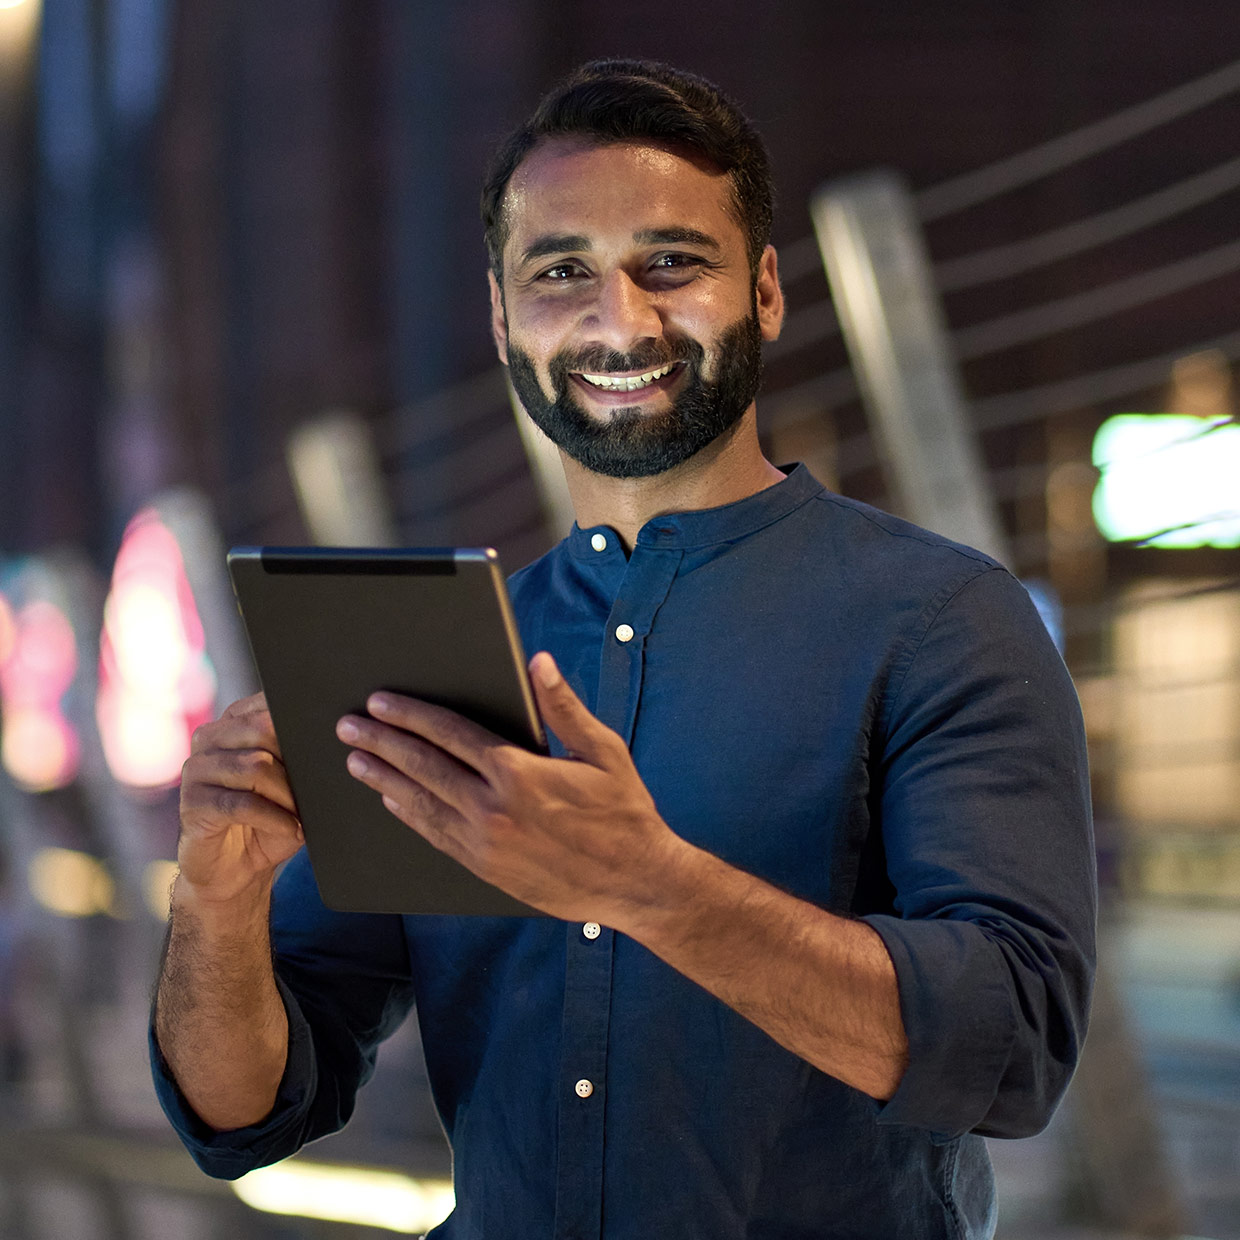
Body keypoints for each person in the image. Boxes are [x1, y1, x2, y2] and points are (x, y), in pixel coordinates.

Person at [151, 59, 1096, 1239]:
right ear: (502, 317)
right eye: (562, 273)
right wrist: (216, 897)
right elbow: (245, 1117)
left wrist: (645, 885)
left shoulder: (940, 618)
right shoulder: (449, 659)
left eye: (674, 262)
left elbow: (1009, 1052)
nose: (620, 319)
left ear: (762, 289)